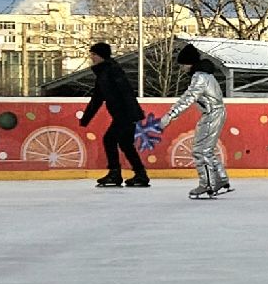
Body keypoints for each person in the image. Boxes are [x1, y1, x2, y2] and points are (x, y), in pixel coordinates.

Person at [159, 44, 230, 199]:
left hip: (212, 114)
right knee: (206, 149)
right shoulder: (206, 75)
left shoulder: (200, 76)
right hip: (215, 113)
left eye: (182, 65)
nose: (182, 69)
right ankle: (220, 178)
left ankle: (207, 184)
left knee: (200, 150)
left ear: (188, 63)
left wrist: (170, 115)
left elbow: (188, 98)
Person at [78, 41, 148, 188]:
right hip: (124, 114)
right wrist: (86, 119)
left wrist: (132, 114)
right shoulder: (104, 73)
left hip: (125, 114)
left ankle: (115, 173)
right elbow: (97, 99)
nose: (92, 57)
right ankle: (140, 174)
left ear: (101, 56)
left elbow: (126, 92)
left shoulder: (112, 71)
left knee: (109, 139)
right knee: (125, 144)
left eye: (94, 54)